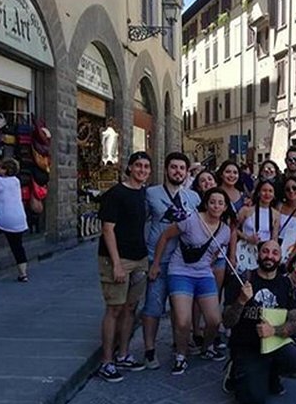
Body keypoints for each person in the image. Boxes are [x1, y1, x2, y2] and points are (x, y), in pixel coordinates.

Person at [149, 188, 235, 374]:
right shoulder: (191, 220)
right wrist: (156, 263)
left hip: (204, 273)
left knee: (214, 320)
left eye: (221, 203)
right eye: (213, 202)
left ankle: (207, 348)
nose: (216, 206)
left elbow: (215, 253)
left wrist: (206, 265)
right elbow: (165, 236)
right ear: (206, 203)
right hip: (180, 271)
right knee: (182, 321)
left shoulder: (225, 231)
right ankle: (181, 355)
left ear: (226, 207)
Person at [222, 240, 296, 404]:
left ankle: (270, 372)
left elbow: (295, 322)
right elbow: (227, 321)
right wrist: (241, 301)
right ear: (258, 255)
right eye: (265, 251)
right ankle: (236, 371)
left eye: (275, 253)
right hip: (247, 345)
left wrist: (274, 330)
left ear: (280, 258)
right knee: (254, 403)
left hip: (274, 342)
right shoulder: (243, 280)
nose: (269, 256)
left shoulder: (286, 284)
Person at [141, 152, 201, 369]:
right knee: (153, 306)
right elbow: (141, 220)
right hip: (157, 259)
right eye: (173, 167)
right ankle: (149, 350)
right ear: (166, 169)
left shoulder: (193, 198)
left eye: (182, 168)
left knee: (179, 308)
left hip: (184, 262)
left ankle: (179, 344)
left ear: (186, 173)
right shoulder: (151, 193)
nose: (177, 171)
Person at [96, 151, 152, 382]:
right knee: (114, 309)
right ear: (129, 168)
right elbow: (107, 229)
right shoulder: (115, 194)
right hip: (116, 260)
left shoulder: (143, 194)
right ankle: (106, 362)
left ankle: (123, 354)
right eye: (138, 165)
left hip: (139, 258)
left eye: (146, 166)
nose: (142, 170)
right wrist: (117, 264)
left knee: (130, 308)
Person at [237, 180, 280, 273]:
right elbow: (234, 229)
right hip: (245, 249)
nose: (267, 194)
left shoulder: (276, 214)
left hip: (265, 252)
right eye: (264, 190)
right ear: (259, 193)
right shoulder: (246, 210)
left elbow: (274, 237)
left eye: (270, 191)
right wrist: (247, 238)